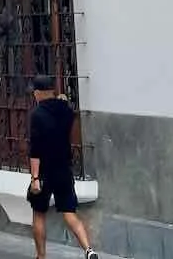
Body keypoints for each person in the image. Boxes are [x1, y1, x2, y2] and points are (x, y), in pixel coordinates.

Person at [25, 75, 98, 259]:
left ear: (38, 93)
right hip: (64, 168)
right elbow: (65, 108)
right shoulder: (66, 110)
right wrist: (62, 100)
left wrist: (35, 178)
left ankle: (41, 256)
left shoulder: (37, 115)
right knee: (69, 212)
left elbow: (35, 149)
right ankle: (89, 250)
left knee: (39, 213)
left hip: (44, 172)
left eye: (34, 92)